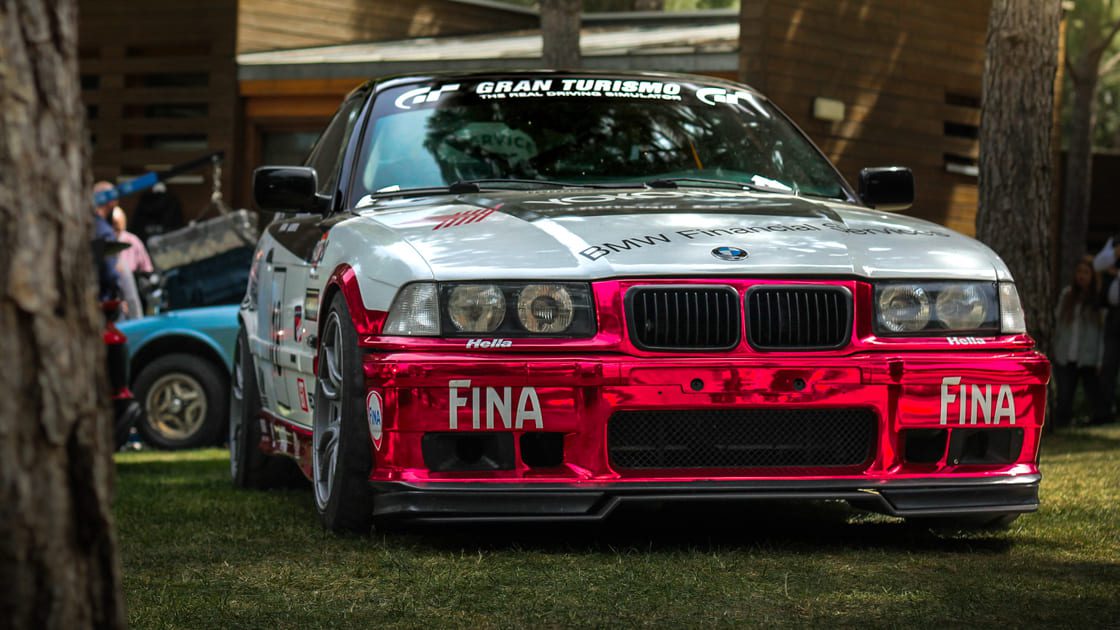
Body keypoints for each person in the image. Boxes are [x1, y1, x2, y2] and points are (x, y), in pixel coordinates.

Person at [1051, 256, 1105, 429]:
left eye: (1086, 272)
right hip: (1066, 353)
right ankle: (1063, 420)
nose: (1082, 276)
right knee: (1065, 392)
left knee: (1093, 390)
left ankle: (1100, 417)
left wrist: (1099, 359)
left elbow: (1102, 333)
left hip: (1088, 355)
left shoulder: (1097, 300)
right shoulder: (1067, 295)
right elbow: (1058, 324)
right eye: (1079, 272)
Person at [1093, 235, 1120, 423]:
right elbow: (1097, 264)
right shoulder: (1114, 241)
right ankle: (1105, 412)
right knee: (1109, 365)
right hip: (1115, 317)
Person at [111, 207, 152, 319]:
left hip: (132, 287)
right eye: (111, 226)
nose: (114, 231)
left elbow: (146, 268)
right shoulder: (104, 242)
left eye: (117, 227)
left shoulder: (132, 241)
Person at [91, 181, 121, 303]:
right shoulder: (104, 231)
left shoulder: (80, 226)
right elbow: (109, 273)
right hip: (102, 302)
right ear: (111, 201)